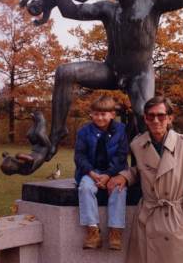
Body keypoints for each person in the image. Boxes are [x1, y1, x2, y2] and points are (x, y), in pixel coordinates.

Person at [45, 0, 183, 160]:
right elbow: (70, 11)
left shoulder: (152, 3)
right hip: (111, 69)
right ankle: (56, 134)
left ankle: (146, 164)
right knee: (64, 72)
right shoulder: (108, 8)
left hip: (139, 73)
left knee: (144, 113)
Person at [107, 96, 183, 263]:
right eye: (150, 116)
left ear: (170, 118)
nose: (156, 120)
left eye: (161, 115)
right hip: (148, 220)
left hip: (178, 222)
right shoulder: (138, 145)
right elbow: (143, 170)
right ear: (145, 119)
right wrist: (125, 176)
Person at [74, 95, 129, 250]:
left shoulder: (121, 130)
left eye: (103, 114)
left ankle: (115, 232)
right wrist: (91, 173)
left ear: (112, 114)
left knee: (119, 189)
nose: (99, 117)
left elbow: (121, 155)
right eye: (96, 114)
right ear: (91, 114)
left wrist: (109, 175)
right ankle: (93, 231)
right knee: (85, 188)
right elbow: (79, 156)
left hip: (114, 171)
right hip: (91, 172)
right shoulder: (84, 131)